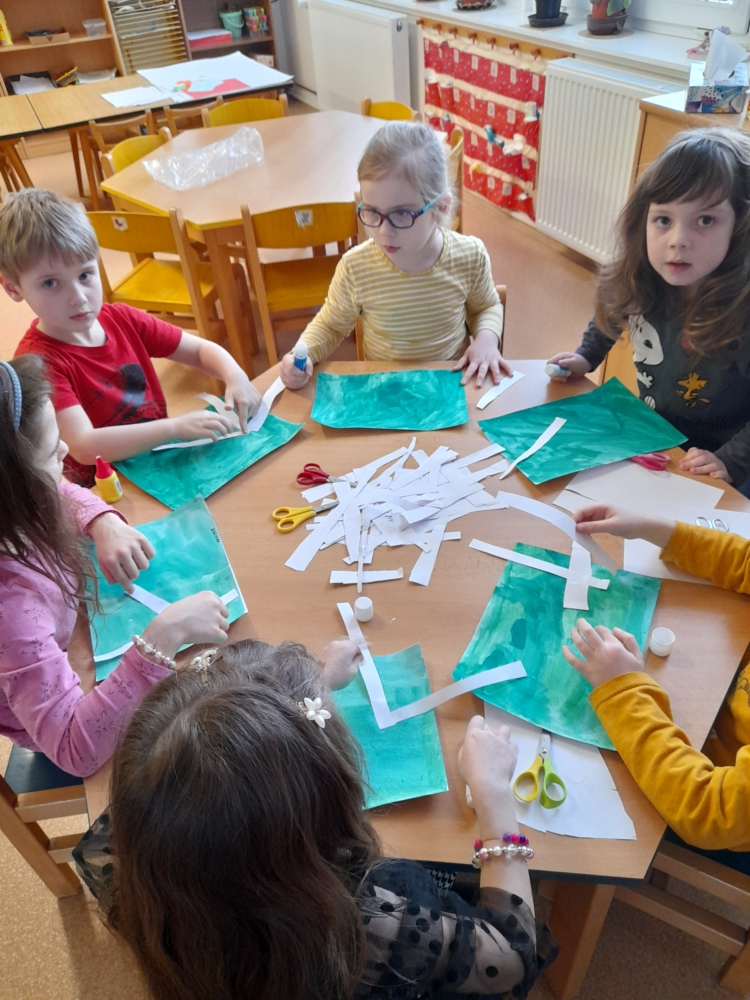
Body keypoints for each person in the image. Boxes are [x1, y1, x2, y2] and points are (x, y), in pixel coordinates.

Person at [74, 638, 556, 1000]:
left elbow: (219, 775)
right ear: (306, 830)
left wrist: (311, 687)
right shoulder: (361, 929)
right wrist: (494, 796)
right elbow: (511, 960)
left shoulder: (145, 848)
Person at [0, 355, 231, 777]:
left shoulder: (15, 507)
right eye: (52, 452)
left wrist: (101, 520)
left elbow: (56, 489)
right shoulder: (12, 612)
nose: (65, 451)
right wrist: (165, 635)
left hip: (72, 644)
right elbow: (75, 749)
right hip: (64, 719)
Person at [2, 188, 261, 487]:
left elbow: (199, 351)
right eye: (50, 283)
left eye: (85, 275)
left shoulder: (122, 318)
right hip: (109, 490)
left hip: (159, 462)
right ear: (13, 289)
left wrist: (235, 375)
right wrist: (173, 428)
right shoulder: (37, 363)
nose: (78, 298)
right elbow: (84, 445)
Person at [547, 128, 750, 491]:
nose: (678, 241)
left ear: (739, 228)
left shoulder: (743, 310)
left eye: (705, 220)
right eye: (664, 220)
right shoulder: (643, 275)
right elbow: (613, 307)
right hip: (657, 438)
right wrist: (587, 356)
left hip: (722, 463)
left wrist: (731, 460)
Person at [563, 501, 750, 867]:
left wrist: (623, 689)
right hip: (713, 720)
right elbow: (743, 561)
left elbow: (706, 810)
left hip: (705, 805)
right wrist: (656, 529)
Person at [280, 121, 510, 392]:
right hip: (385, 392)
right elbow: (331, 325)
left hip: (449, 389)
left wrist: (486, 339)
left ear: (440, 207)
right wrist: (303, 353)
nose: (384, 231)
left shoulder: (469, 257)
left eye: (401, 213)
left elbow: (486, 306)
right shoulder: (356, 267)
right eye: (372, 212)